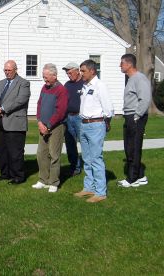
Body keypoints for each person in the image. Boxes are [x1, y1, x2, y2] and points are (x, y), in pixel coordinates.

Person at [74, 59, 114, 203]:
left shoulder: (100, 86)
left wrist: (106, 123)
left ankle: (100, 191)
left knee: (96, 158)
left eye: (83, 71)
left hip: (96, 124)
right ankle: (89, 187)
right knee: (87, 158)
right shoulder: (85, 86)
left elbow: (108, 109)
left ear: (92, 71)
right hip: (83, 124)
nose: (81, 73)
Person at [0, 60, 30, 184]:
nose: (7, 72)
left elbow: (20, 100)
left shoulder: (23, 83)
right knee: (1, 150)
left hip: (14, 122)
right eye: (5, 70)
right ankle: (5, 173)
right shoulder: (0, 83)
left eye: (9, 70)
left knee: (15, 152)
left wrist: (2, 108)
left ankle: (18, 176)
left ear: (15, 70)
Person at [32, 63, 68, 193]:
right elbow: (39, 104)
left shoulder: (61, 90)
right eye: (43, 76)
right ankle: (43, 179)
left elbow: (61, 112)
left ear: (54, 75)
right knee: (41, 154)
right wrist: (39, 121)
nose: (44, 79)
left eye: (46, 77)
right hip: (43, 126)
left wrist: (48, 125)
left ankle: (54, 182)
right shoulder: (44, 87)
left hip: (56, 127)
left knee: (54, 154)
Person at [117, 54, 151, 188]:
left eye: (122, 63)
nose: (120, 66)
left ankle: (132, 179)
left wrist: (137, 116)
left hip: (135, 117)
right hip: (129, 116)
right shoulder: (130, 79)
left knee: (134, 148)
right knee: (129, 147)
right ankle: (140, 176)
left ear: (129, 64)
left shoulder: (139, 78)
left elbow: (145, 99)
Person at [62, 62, 84, 176]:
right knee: (70, 144)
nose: (68, 75)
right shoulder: (67, 85)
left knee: (85, 143)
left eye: (70, 73)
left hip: (80, 117)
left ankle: (89, 166)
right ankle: (74, 167)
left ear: (77, 71)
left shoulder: (85, 83)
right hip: (68, 117)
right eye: (67, 73)